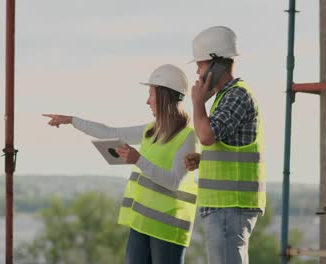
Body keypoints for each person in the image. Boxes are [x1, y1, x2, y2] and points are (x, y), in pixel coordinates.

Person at [43, 64, 197, 264]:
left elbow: (174, 181)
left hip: (167, 228)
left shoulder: (188, 136)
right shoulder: (151, 130)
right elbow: (111, 133)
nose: (147, 101)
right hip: (141, 223)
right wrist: (71, 120)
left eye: (151, 95)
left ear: (164, 96)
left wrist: (138, 160)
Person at [185, 26, 266, 264]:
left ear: (215, 64)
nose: (198, 74)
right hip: (224, 207)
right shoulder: (224, 97)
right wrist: (204, 159)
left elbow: (207, 136)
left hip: (230, 206)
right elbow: (224, 145)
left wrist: (198, 103)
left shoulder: (237, 95)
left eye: (199, 66)